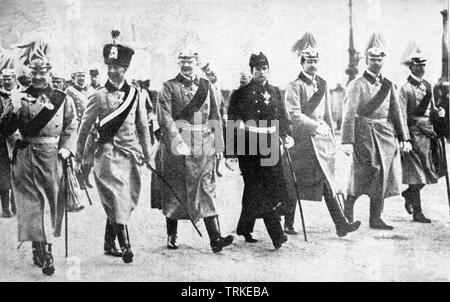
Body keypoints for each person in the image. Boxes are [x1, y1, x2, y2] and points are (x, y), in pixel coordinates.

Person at [75, 30, 152, 263]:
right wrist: (79, 155)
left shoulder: (135, 94)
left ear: (125, 69)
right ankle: (126, 246)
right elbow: (85, 128)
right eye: (109, 65)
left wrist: (148, 154)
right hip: (106, 154)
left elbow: (142, 126)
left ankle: (109, 243)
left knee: (125, 199)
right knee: (117, 196)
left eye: (116, 66)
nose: (111, 70)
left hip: (130, 155)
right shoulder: (98, 96)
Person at [0, 57, 77, 276]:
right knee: (32, 206)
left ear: (50, 73)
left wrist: (67, 148)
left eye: (43, 73)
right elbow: (4, 129)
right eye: (35, 73)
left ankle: (44, 246)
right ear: (29, 75)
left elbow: (72, 126)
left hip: (52, 158)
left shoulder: (62, 99)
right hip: (26, 158)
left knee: (51, 204)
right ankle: (45, 252)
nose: (39, 77)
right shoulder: (19, 97)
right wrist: (13, 109)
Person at [154, 49, 233, 253]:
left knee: (207, 189)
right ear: (178, 63)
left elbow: (215, 115)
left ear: (197, 62)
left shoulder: (206, 86)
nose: (186, 65)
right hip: (177, 147)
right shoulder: (168, 87)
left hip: (204, 146)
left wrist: (219, 146)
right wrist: (176, 140)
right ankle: (172, 235)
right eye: (182, 61)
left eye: (190, 61)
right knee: (176, 190)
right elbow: (164, 117)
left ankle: (215, 239)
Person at [284, 33, 361, 237]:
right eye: (309, 61)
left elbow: (326, 115)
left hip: (321, 143)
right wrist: (313, 126)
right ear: (302, 63)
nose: (313, 65)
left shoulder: (323, 84)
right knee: (294, 181)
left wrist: (333, 142)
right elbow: (293, 114)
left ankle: (341, 224)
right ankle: (288, 222)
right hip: (301, 141)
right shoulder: (294, 85)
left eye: (316, 61)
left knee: (327, 181)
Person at [342, 33, 411, 230]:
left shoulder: (389, 85)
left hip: (385, 135)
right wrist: (347, 140)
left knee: (382, 176)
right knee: (364, 173)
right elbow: (348, 114)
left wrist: (403, 137)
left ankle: (375, 218)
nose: (377, 62)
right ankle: (348, 212)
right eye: (373, 58)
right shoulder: (356, 84)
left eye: (380, 58)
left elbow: (397, 113)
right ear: (366, 59)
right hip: (364, 134)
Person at [227, 52, 291, 249]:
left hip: (270, 144)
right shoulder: (240, 94)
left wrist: (286, 134)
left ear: (269, 70)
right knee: (258, 188)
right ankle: (277, 233)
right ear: (251, 71)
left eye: (264, 69)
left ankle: (244, 227)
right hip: (249, 148)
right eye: (257, 70)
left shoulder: (275, 92)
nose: (261, 72)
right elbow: (232, 123)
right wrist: (231, 153)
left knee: (264, 188)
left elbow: (282, 116)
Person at [399, 41, 446, 223]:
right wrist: (405, 139)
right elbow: (401, 115)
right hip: (413, 134)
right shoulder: (404, 89)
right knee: (416, 174)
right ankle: (418, 212)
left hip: (428, 134)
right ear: (411, 66)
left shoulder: (428, 86)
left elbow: (432, 109)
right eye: (418, 65)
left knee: (429, 171)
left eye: (423, 64)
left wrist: (439, 112)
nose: (422, 68)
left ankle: (408, 194)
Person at [0, 68, 18, 218]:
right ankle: (5, 207)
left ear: (15, 79)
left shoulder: (21, 95)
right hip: (2, 141)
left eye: (9, 78)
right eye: (4, 79)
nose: (6, 81)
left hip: (18, 140)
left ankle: (15, 204)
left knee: (17, 174)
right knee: (4, 176)